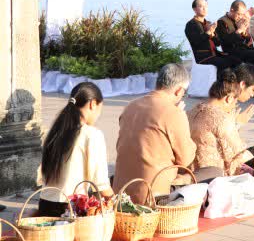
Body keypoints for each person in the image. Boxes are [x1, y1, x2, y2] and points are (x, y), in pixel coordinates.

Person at [114, 64, 202, 202]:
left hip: (121, 192)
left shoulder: (130, 107)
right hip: (153, 195)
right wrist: (180, 117)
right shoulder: (174, 114)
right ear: (179, 91)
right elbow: (185, 160)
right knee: (212, 172)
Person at [39, 83, 113, 217]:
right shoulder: (92, 134)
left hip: (45, 205)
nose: (98, 116)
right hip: (71, 209)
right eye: (99, 109)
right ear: (93, 104)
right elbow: (101, 184)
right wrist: (118, 201)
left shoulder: (56, 131)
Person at [188, 64, 254, 176]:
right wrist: (237, 124)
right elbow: (236, 154)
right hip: (211, 172)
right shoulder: (221, 117)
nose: (252, 95)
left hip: (190, 168)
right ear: (229, 98)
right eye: (252, 90)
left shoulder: (193, 109)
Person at [216, 0, 254, 84]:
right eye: (239, 14)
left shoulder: (238, 20)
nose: (240, 17)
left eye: (242, 14)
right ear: (232, 10)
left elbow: (246, 40)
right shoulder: (222, 22)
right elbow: (225, 41)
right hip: (231, 51)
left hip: (242, 48)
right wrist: (239, 31)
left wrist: (244, 33)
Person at [185, 0, 239, 73]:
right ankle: (221, 83)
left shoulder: (208, 23)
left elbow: (217, 43)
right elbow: (196, 42)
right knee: (225, 63)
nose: (204, 9)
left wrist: (213, 34)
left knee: (236, 60)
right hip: (203, 56)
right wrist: (208, 32)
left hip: (214, 54)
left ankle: (233, 83)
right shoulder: (191, 24)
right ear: (194, 9)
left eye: (206, 6)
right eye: (201, 6)